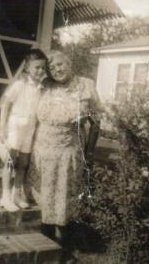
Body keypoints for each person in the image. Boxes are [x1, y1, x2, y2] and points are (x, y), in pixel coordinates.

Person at [32, 50, 103, 244]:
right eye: (52, 68)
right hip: (42, 149)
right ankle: (44, 236)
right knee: (44, 192)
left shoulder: (85, 85)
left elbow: (96, 121)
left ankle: (62, 239)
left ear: (69, 64)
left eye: (60, 64)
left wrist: (89, 151)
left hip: (68, 149)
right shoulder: (45, 86)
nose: (57, 70)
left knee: (64, 194)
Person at [0, 49, 47, 212]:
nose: (40, 71)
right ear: (27, 68)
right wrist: (2, 128)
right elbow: (5, 105)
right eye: (36, 67)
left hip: (30, 128)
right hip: (16, 126)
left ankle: (16, 195)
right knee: (10, 162)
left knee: (24, 163)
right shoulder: (20, 85)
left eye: (43, 68)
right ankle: (5, 197)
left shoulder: (41, 88)